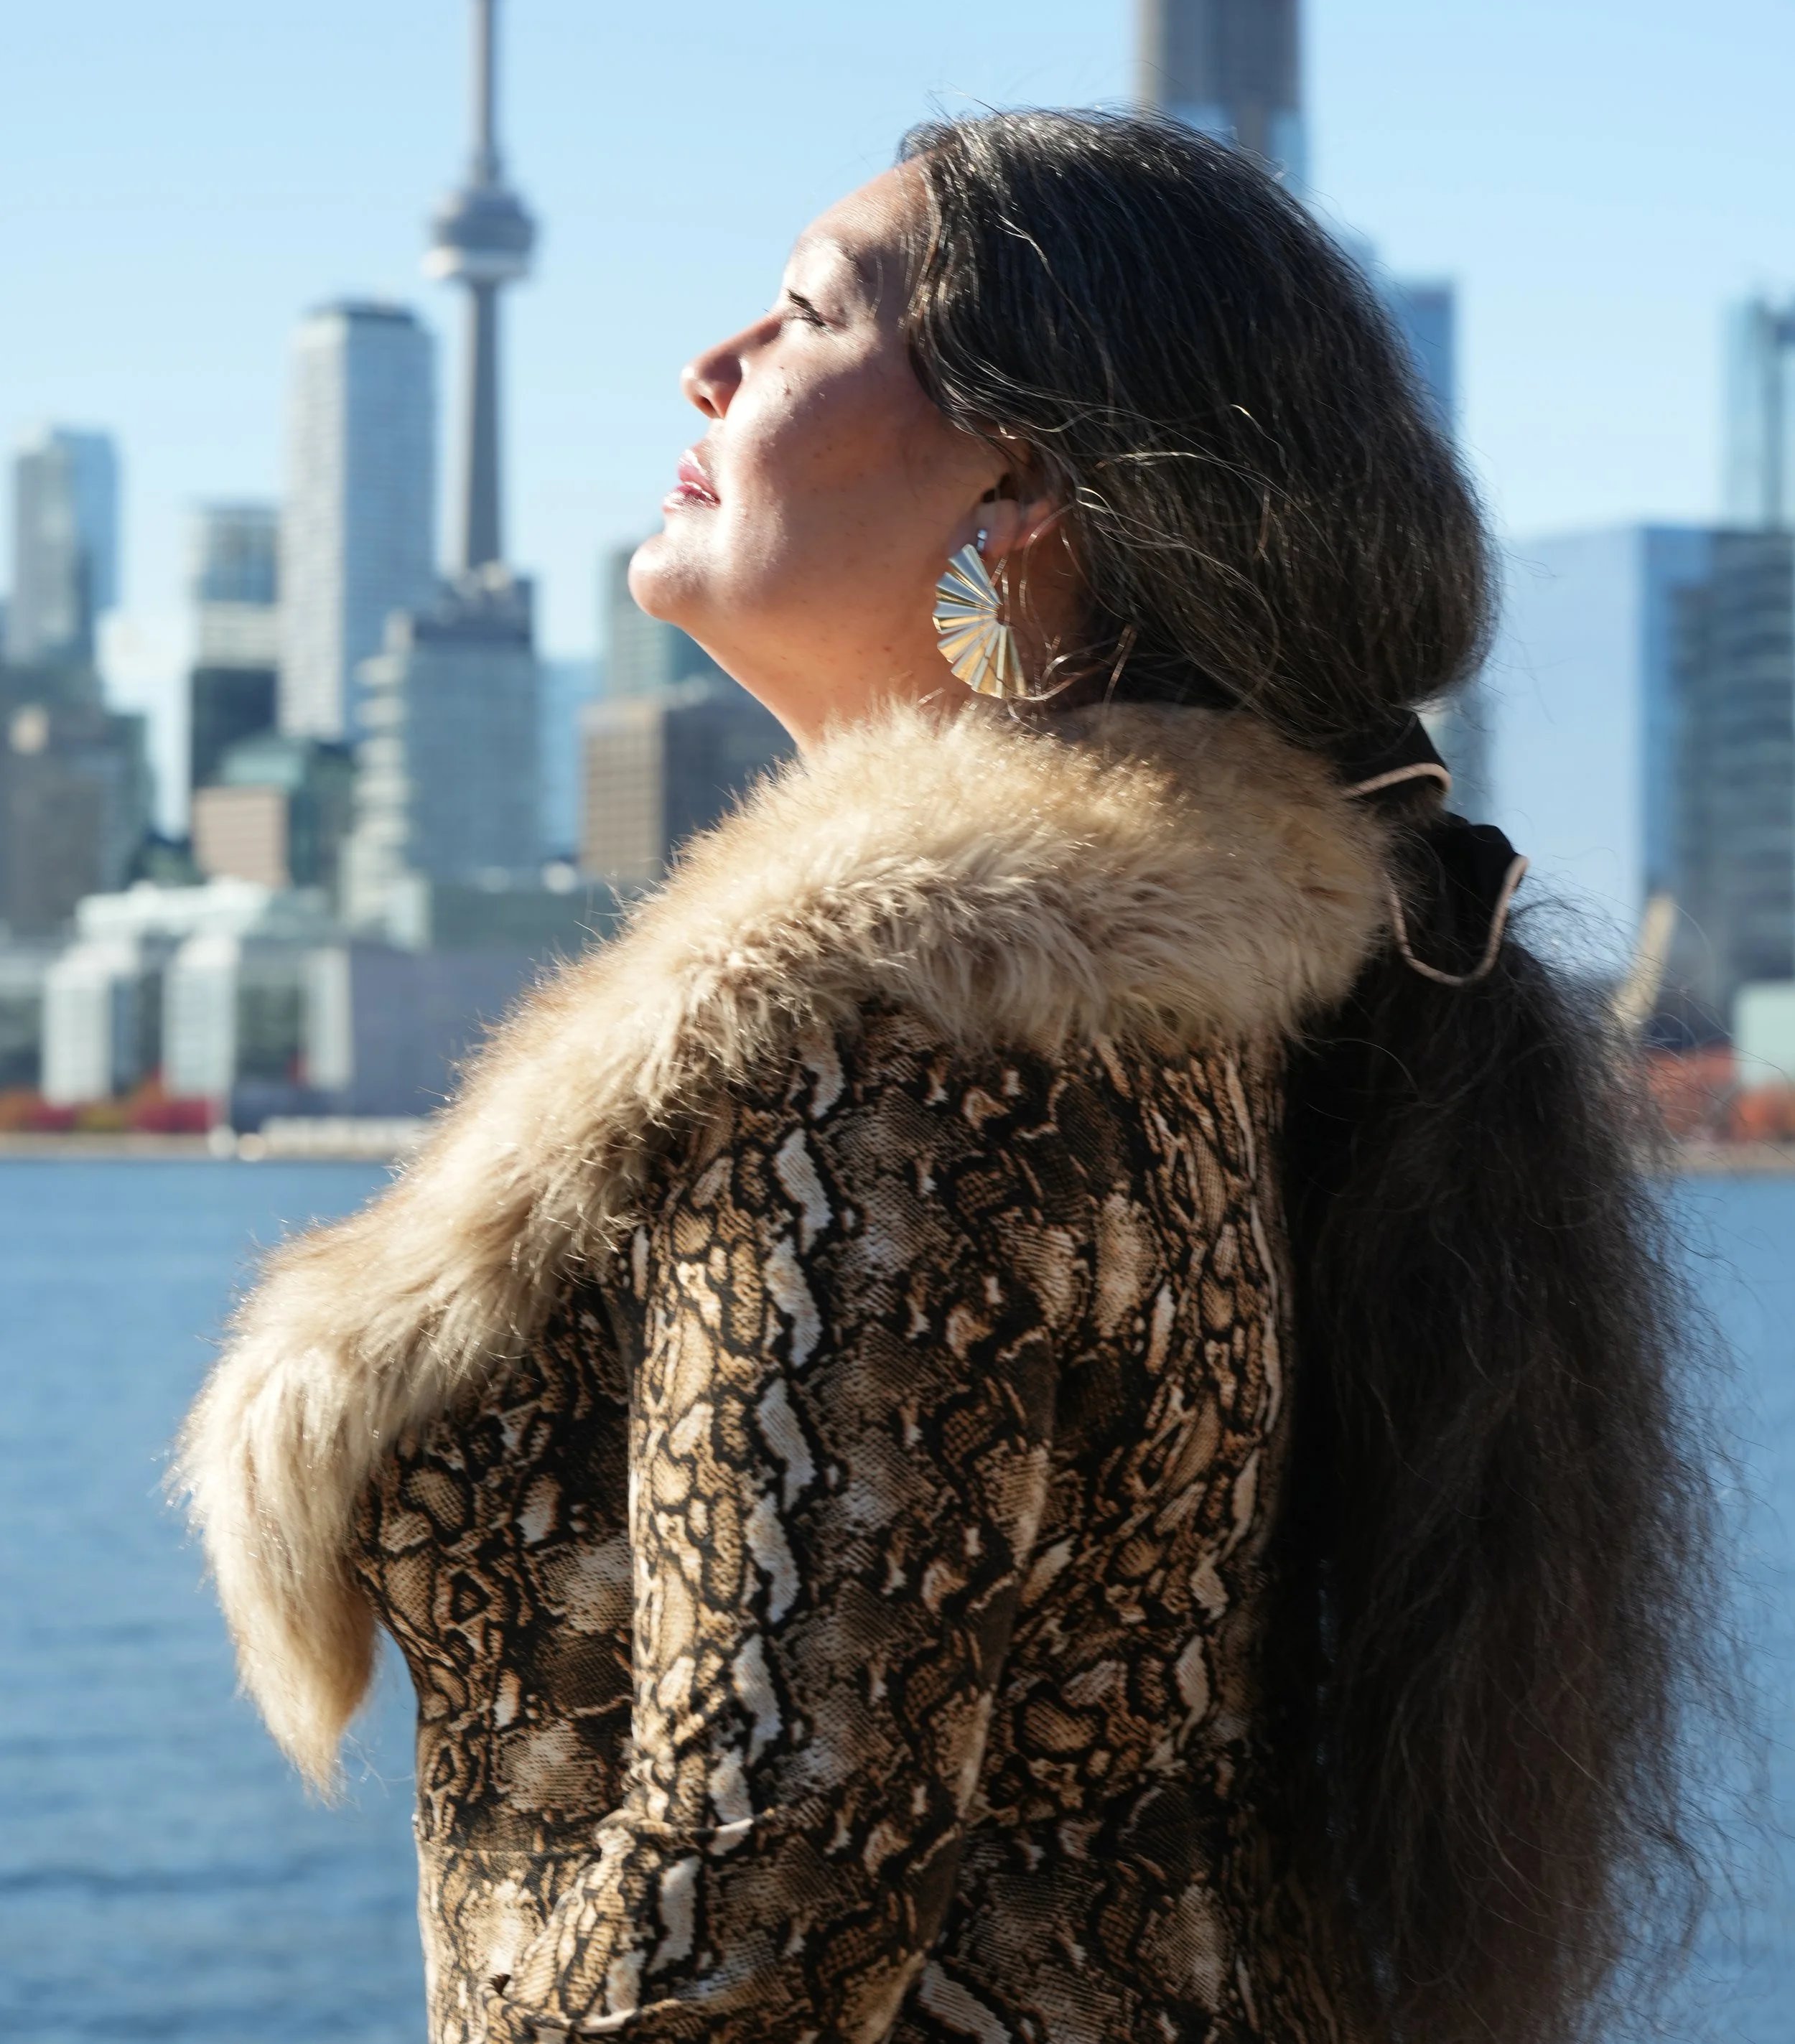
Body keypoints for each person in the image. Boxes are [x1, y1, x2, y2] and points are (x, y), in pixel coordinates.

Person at [181, 112, 1720, 2044]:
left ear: (1020, 488)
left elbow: (745, 1920)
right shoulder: (1138, 1010)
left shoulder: (893, 1042)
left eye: (808, 316)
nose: (707, 363)